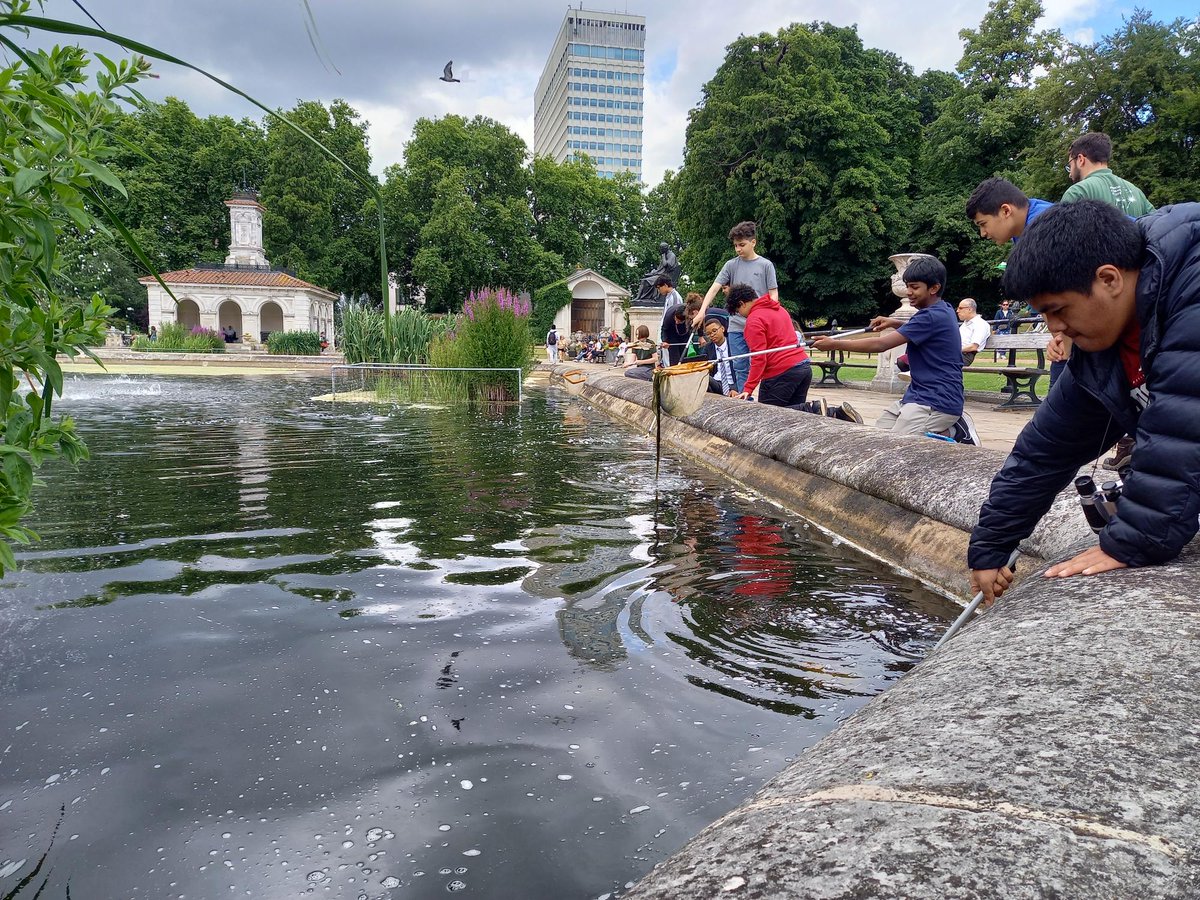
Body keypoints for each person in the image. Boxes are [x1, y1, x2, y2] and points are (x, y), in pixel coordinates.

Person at [968, 199, 1200, 605]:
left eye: (1058, 311)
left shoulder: (1190, 293)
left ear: (1109, 279)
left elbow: (1185, 422)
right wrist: (991, 546)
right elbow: (1046, 451)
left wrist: (1132, 541)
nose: (1055, 329)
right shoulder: (1104, 340)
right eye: (1044, 316)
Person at [1061, 132, 1155, 471]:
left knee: (1106, 375)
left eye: (1069, 162)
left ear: (1080, 158)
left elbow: (1066, 252)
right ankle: (1133, 442)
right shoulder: (1136, 192)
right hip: (1137, 296)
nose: (1069, 168)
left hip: (1098, 299)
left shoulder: (1079, 191)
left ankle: (1117, 439)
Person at [812, 257, 963, 436]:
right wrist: (895, 322)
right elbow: (924, 330)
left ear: (934, 288)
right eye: (907, 287)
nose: (909, 292)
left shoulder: (930, 316)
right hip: (917, 395)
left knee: (899, 446)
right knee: (879, 436)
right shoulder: (943, 309)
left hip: (937, 401)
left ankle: (952, 433)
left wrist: (834, 344)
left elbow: (881, 344)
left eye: (915, 287)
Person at [966, 177, 1062, 384]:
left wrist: (1063, 338)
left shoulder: (1043, 228)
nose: (983, 233)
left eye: (983, 224)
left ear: (1006, 211)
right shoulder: (1028, 224)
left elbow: (1063, 294)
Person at [692, 221, 778, 388]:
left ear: (753, 242)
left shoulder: (766, 265)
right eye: (735, 245)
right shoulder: (731, 265)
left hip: (759, 325)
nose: (738, 249)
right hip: (737, 325)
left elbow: (773, 293)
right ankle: (745, 401)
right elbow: (715, 287)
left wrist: (770, 314)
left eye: (742, 245)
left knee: (762, 363)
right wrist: (702, 311)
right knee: (739, 365)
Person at [727, 283, 812, 409]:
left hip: (780, 372)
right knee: (795, 418)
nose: (741, 315)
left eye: (738, 311)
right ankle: (814, 409)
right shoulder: (780, 309)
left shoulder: (754, 320)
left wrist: (748, 388)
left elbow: (759, 357)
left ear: (742, 303)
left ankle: (814, 408)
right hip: (803, 367)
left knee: (767, 415)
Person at [1062, 132, 1154, 217]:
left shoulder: (1077, 192)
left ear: (1081, 159)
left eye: (1070, 165)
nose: (1070, 174)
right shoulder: (1137, 192)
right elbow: (1157, 226)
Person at [703, 314, 739, 396]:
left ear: (722, 329)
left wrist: (735, 388)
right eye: (708, 333)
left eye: (714, 331)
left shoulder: (734, 344)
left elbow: (743, 369)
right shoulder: (708, 348)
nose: (712, 335)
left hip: (733, 382)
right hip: (716, 382)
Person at [956, 298, 991, 366]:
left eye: (960, 308)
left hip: (965, 355)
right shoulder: (965, 324)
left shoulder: (980, 324)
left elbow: (973, 347)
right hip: (957, 353)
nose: (957, 311)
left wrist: (954, 350)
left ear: (969, 309)